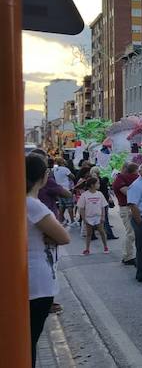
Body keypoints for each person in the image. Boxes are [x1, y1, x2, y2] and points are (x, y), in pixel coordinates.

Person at [26, 154, 70, 366]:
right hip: (37, 284)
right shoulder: (33, 205)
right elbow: (64, 237)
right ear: (44, 177)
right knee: (28, 342)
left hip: (28, 279)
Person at [112, 162, 139, 265]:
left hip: (132, 207)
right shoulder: (120, 179)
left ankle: (130, 255)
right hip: (127, 208)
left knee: (134, 233)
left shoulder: (123, 178)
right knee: (131, 233)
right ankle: (127, 257)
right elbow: (128, 192)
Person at [77, 178, 109, 255]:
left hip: (98, 216)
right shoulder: (84, 195)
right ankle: (87, 249)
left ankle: (105, 247)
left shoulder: (100, 194)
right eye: (97, 183)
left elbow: (103, 206)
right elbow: (81, 208)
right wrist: (84, 219)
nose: (99, 185)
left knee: (102, 232)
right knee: (89, 234)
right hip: (89, 217)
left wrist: (103, 216)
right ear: (92, 185)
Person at [90, 166, 117, 239]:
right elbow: (103, 191)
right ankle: (109, 234)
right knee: (104, 218)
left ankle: (92, 235)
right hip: (101, 201)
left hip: (95, 201)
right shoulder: (100, 180)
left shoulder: (91, 181)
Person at [52, 158, 76, 225]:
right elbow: (73, 177)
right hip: (66, 189)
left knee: (61, 205)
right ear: (62, 162)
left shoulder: (54, 169)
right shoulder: (65, 169)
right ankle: (72, 221)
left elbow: (53, 177)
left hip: (59, 189)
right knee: (69, 205)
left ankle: (61, 220)